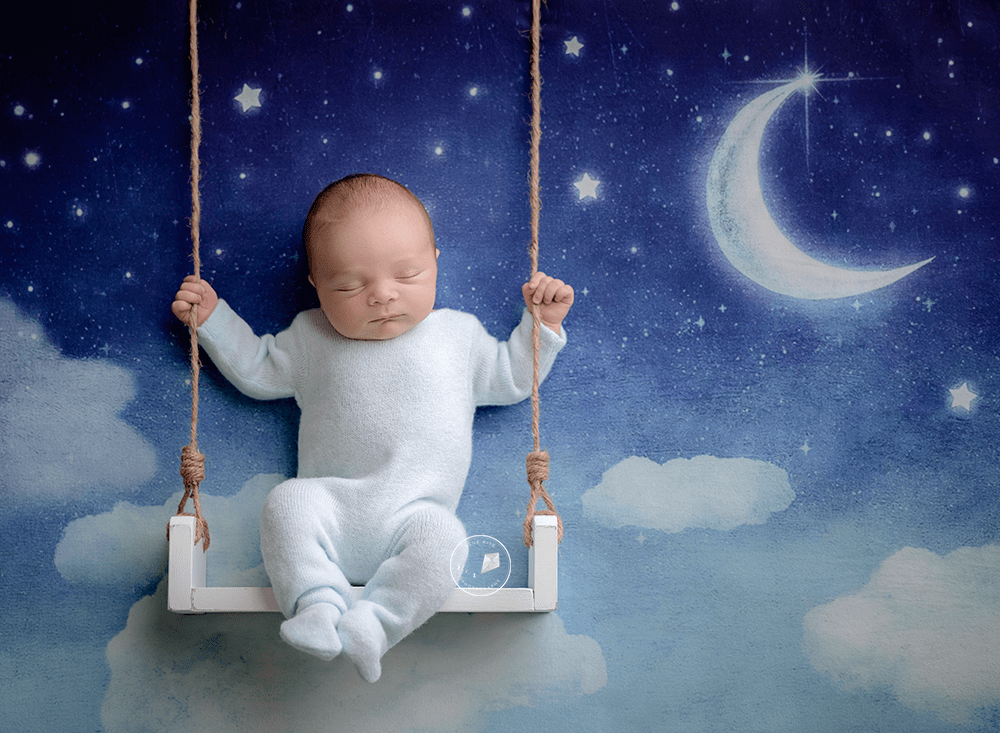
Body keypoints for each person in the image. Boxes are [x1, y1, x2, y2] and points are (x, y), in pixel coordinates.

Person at [172, 173, 573, 682]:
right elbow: (255, 367)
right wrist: (212, 319)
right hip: (330, 505)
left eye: (407, 275)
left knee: (448, 540)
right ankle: (315, 605)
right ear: (318, 284)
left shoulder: (458, 337)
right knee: (287, 504)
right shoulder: (311, 336)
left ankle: (375, 626)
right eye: (350, 285)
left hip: (415, 515)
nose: (382, 296)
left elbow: (513, 376)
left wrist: (543, 324)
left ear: (435, 260)